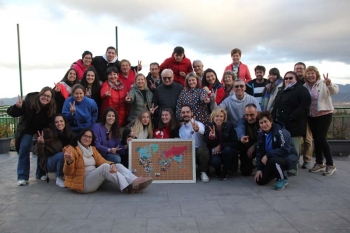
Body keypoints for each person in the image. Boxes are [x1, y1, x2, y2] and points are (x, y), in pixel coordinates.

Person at [63, 128, 153, 193]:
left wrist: (112, 164)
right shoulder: (72, 149)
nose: (87, 139)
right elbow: (67, 172)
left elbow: (101, 160)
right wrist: (69, 162)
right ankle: (129, 186)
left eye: (90, 137)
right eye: (85, 136)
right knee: (105, 167)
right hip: (82, 184)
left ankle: (134, 180)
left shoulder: (92, 149)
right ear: (80, 137)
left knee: (117, 165)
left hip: (93, 179)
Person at [7, 87, 56, 186]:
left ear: (51, 99)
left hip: (42, 130)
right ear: (40, 95)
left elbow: (52, 121)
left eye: (48, 96)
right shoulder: (30, 100)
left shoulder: (51, 107)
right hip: (28, 128)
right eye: (44, 95)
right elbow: (12, 113)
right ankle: (22, 176)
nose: (45, 98)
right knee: (24, 148)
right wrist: (18, 107)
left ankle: (41, 172)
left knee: (42, 149)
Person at [272, 71, 311, 175]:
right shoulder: (282, 91)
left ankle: (293, 168)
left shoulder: (301, 89)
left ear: (296, 79)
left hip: (295, 124)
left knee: (293, 147)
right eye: (286, 78)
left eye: (291, 78)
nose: (288, 80)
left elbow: (305, 104)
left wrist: (293, 117)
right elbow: (276, 106)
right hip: (281, 124)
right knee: (282, 146)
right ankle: (285, 166)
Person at [304, 66, 339, 176]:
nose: (310, 75)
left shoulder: (323, 83)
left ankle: (330, 164)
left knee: (321, 138)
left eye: (312, 73)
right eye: (308, 73)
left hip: (324, 114)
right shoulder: (305, 86)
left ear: (316, 74)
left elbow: (335, 90)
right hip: (312, 115)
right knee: (316, 139)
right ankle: (319, 163)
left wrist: (329, 83)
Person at [254, 111, 298, 190]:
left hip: (288, 157)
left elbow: (285, 149)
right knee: (260, 181)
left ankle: (283, 178)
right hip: (272, 159)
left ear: (271, 121)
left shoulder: (280, 131)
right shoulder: (261, 134)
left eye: (265, 121)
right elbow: (259, 152)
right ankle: (277, 172)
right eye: (261, 123)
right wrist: (259, 169)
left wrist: (268, 155)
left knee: (274, 160)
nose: (264, 125)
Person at [34, 114, 74, 187]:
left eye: (61, 121)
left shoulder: (67, 133)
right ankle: (59, 178)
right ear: (53, 124)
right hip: (48, 162)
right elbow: (39, 153)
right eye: (56, 122)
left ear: (65, 122)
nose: (59, 123)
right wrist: (40, 143)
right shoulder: (48, 133)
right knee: (63, 154)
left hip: (59, 161)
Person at [204, 107, 238, 180]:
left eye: (221, 116)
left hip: (226, 151)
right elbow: (205, 140)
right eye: (217, 116)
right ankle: (217, 170)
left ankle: (225, 171)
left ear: (224, 117)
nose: (219, 118)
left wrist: (221, 146)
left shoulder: (229, 126)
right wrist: (211, 138)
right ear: (213, 117)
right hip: (214, 152)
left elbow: (235, 142)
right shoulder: (208, 126)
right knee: (215, 161)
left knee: (228, 150)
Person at [178, 105, 210, 182]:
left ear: (192, 113)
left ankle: (203, 172)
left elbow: (202, 131)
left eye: (187, 112)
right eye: (183, 112)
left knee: (203, 150)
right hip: (188, 153)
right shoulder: (181, 129)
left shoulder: (198, 124)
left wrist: (197, 129)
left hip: (199, 153)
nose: (185, 114)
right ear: (181, 115)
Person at [294, 62, 313, 169]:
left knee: (307, 139)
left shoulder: (308, 82)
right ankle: (295, 158)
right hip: (296, 114)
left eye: (301, 69)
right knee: (296, 138)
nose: (299, 71)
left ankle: (307, 159)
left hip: (306, 114)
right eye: (297, 69)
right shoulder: (293, 81)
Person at [236, 104, 260, 176]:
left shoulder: (262, 121)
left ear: (257, 113)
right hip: (247, 145)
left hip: (261, 145)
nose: (249, 118)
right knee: (246, 172)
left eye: (252, 115)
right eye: (246, 115)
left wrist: (254, 146)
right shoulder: (242, 120)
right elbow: (240, 128)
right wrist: (241, 137)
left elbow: (265, 138)